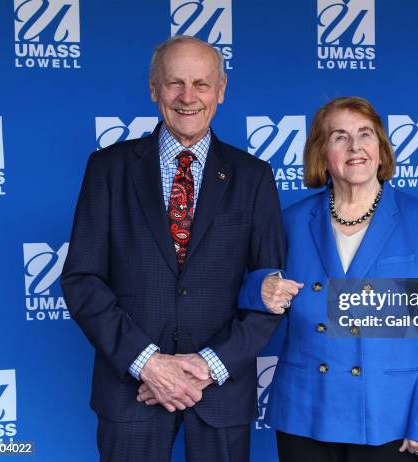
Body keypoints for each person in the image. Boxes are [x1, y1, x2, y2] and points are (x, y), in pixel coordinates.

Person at [61, 35, 285, 462]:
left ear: (221, 90)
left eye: (201, 84)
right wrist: (146, 362)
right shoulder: (107, 169)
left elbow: (269, 291)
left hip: (220, 392)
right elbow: (82, 279)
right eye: (174, 83)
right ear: (153, 88)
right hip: (132, 390)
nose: (188, 97)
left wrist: (207, 366)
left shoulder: (253, 176)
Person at [239, 97, 418, 461]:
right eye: (339, 137)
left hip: (389, 418)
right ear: (321, 151)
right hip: (305, 410)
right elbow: (249, 284)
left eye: (365, 134)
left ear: (380, 147)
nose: (355, 146)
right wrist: (260, 288)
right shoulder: (292, 221)